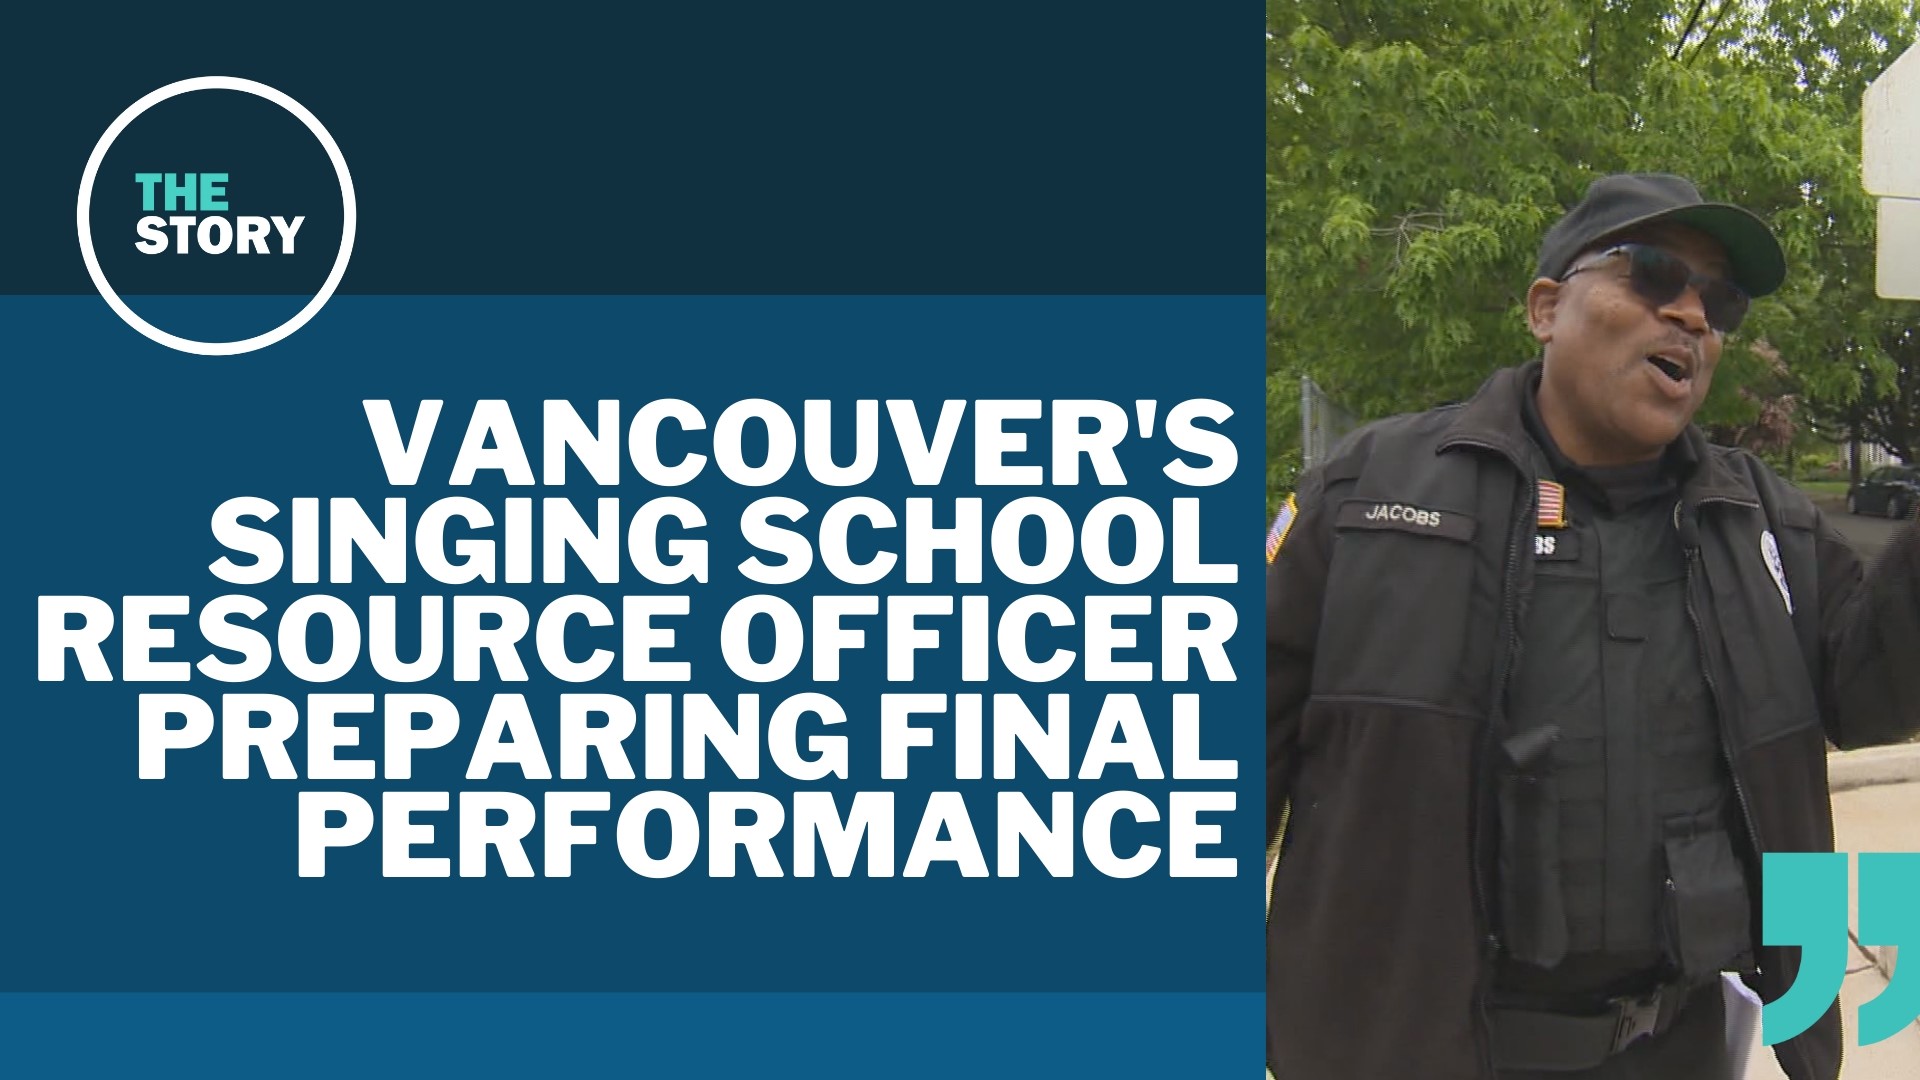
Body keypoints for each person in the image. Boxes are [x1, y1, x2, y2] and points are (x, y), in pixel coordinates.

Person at [1264, 173, 1920, 1080]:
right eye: (1652, 275)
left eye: (1718, 301)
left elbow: (1878, 688)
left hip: (1673, 1047)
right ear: (1545, 308)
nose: (1692, 315)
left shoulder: (1768, 522)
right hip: (1413, 1047)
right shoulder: (1372, 496)